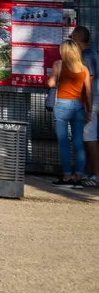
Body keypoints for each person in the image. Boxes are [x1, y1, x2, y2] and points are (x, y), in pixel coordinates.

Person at [46, 38, 94, 186]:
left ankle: (66, 177)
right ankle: (78, 177)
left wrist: (54, 78)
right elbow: (88, 92)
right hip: (79, 107)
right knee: (78, 143)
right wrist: (89, 110)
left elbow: (51, 83)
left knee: (64, 143)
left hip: (62, 105)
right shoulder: (84, 68)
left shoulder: (59, 65)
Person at [73, 26, 99, 183]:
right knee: (90, 138)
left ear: (77, 38)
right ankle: (89, 173)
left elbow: (87, 82)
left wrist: (87, 106)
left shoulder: (87, 56)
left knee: (90, 139)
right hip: (95, 99)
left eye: (72, 37)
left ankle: (96, 175)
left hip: (93, 100)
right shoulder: (93, 53)